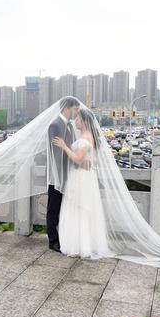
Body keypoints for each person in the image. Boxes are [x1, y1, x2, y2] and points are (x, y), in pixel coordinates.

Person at [53, 108, 110, 258]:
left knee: (79, 209)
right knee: (82, 209)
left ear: (84, 121)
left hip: (81, 178)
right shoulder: (86, 136)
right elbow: (88, 160)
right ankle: (83, 243)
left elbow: (78, 159)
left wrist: (64, 146)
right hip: (84, 176)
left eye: (77, 118)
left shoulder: (85, 137)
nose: (75, 121)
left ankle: (79, 245)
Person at [46, 96, 80, 252]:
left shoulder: (70, 126)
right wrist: (61, 177)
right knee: (54, 209)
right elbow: (56, 155)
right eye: (75, 109)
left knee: (64, 209)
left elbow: (71, 147)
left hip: (68, 175)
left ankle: (64, 237)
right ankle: (53, 240)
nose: (76, 112)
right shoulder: (55, 125)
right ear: (67, 108)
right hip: (57, 176)